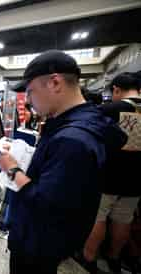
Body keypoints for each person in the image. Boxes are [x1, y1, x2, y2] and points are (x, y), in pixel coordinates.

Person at [0, 50, 127, 274]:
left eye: (30, 92)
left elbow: (44, 204)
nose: (27, 101)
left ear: (54, 83)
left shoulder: (72, 139)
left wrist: (12, 169)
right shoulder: (79, 124)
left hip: (37, 243)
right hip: (50, 240)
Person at [83, 72, 141, 274]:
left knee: (98, 217)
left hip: (109, 175)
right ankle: (114, 258)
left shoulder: (110, 109)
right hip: (136, 180)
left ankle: (89, 257)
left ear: (116, 89)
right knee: (123, 219)